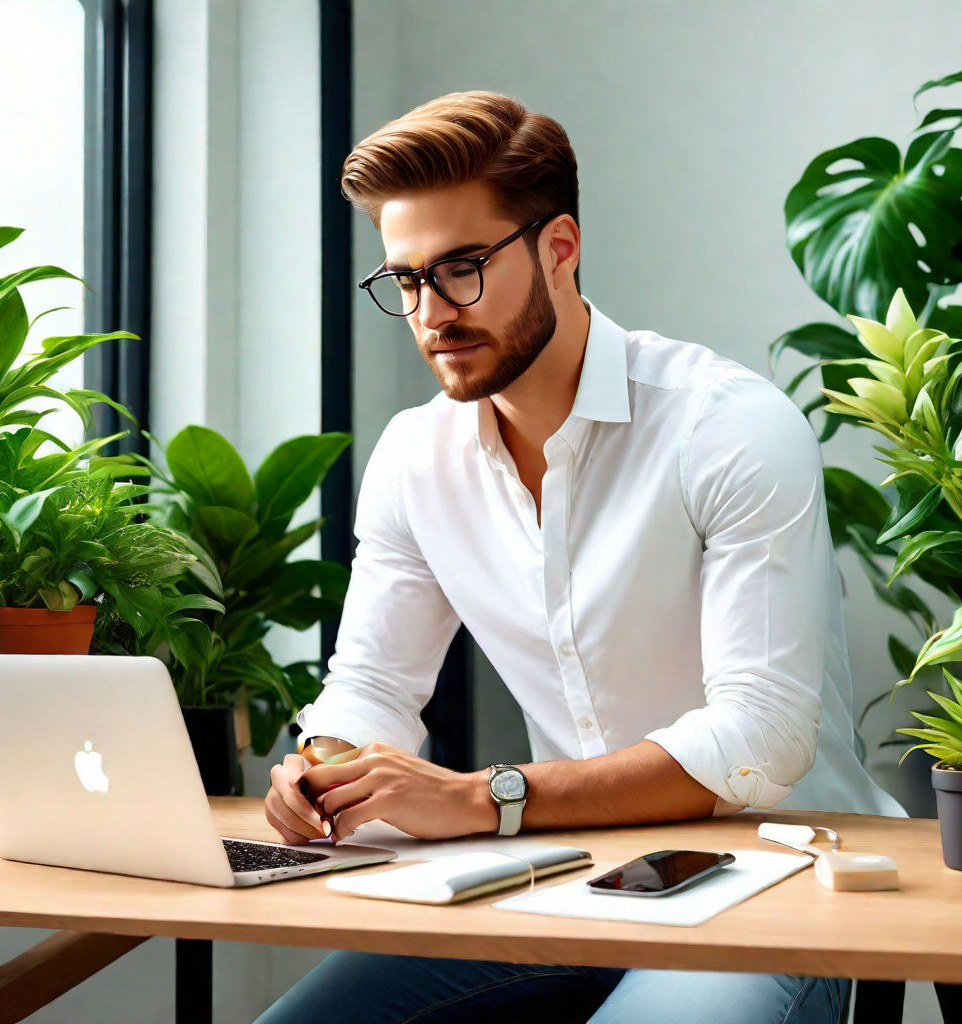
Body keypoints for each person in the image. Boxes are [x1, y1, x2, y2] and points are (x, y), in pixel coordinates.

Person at [257, 90, 901, 1024]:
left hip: (782, 875)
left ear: (558, 249)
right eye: (404, 281)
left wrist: (487, 797)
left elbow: (761, 740)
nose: (431, 312)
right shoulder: (413, 456)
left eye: (463, 268)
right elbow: (371, 686)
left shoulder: (729, 427)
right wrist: (326, 763)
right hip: (565, 876)